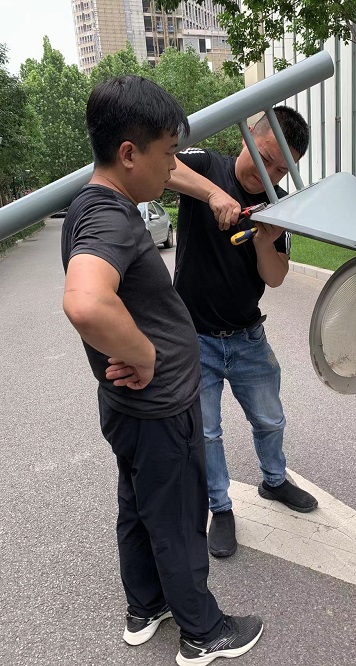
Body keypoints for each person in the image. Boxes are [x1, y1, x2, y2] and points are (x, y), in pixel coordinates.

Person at [61, 75, 263, 666]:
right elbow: (86, 302)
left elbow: (100, 296)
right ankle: (203, 633)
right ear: (129, 154)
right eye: (169, 153)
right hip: (158, 410)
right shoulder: (112, 218)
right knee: (176, 518)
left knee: (137, 506)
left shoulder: (90, 204)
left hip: (129, 411)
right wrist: (147, 355)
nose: (174, 166)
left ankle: (145, 606)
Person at [167, 106, 318, 559]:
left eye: (281, 169)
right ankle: (221, 507)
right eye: (264, 157)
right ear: (248, 136)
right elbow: (163, 166)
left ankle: (274, 481)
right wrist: (214, 195)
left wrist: (265, 242)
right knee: (207, 433)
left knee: (271, 420)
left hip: (249, 338)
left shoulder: (280, 203)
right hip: (195, 338)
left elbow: (276, 277)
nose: (268, 173)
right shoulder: (205, 164)